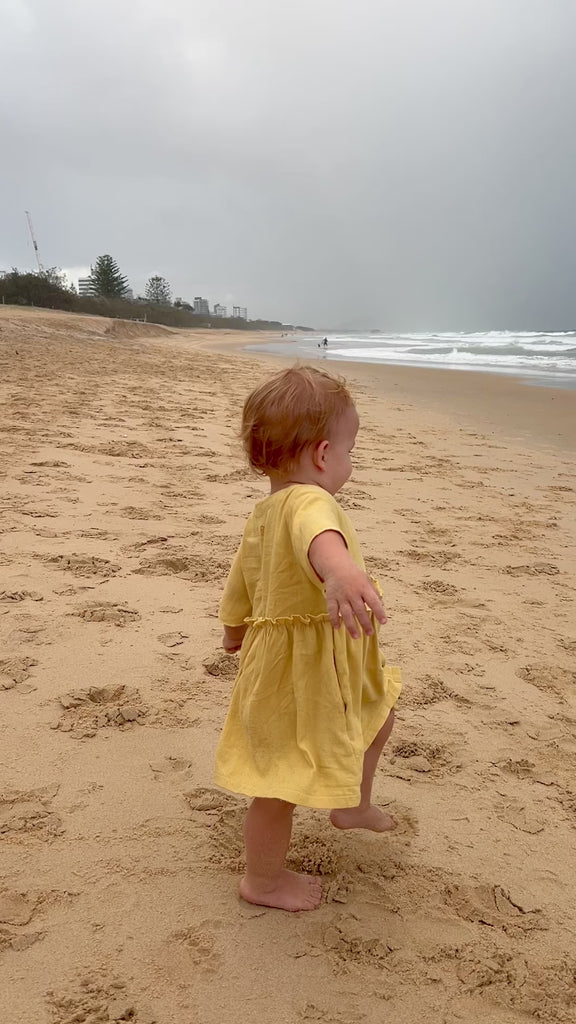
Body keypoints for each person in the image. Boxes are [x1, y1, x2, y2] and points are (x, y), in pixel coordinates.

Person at [215, 366, 402, 912]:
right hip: (305, 671)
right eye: (350, 451)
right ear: (323, 455)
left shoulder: (264, 514)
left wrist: (232, 629)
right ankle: (263, 881)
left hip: (303, 661)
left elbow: (241, 581)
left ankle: (352, 805)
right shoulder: (309, 503)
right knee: (279, 781)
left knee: (379, 710)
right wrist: (341, 572)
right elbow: (321, 540)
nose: (349, 463)